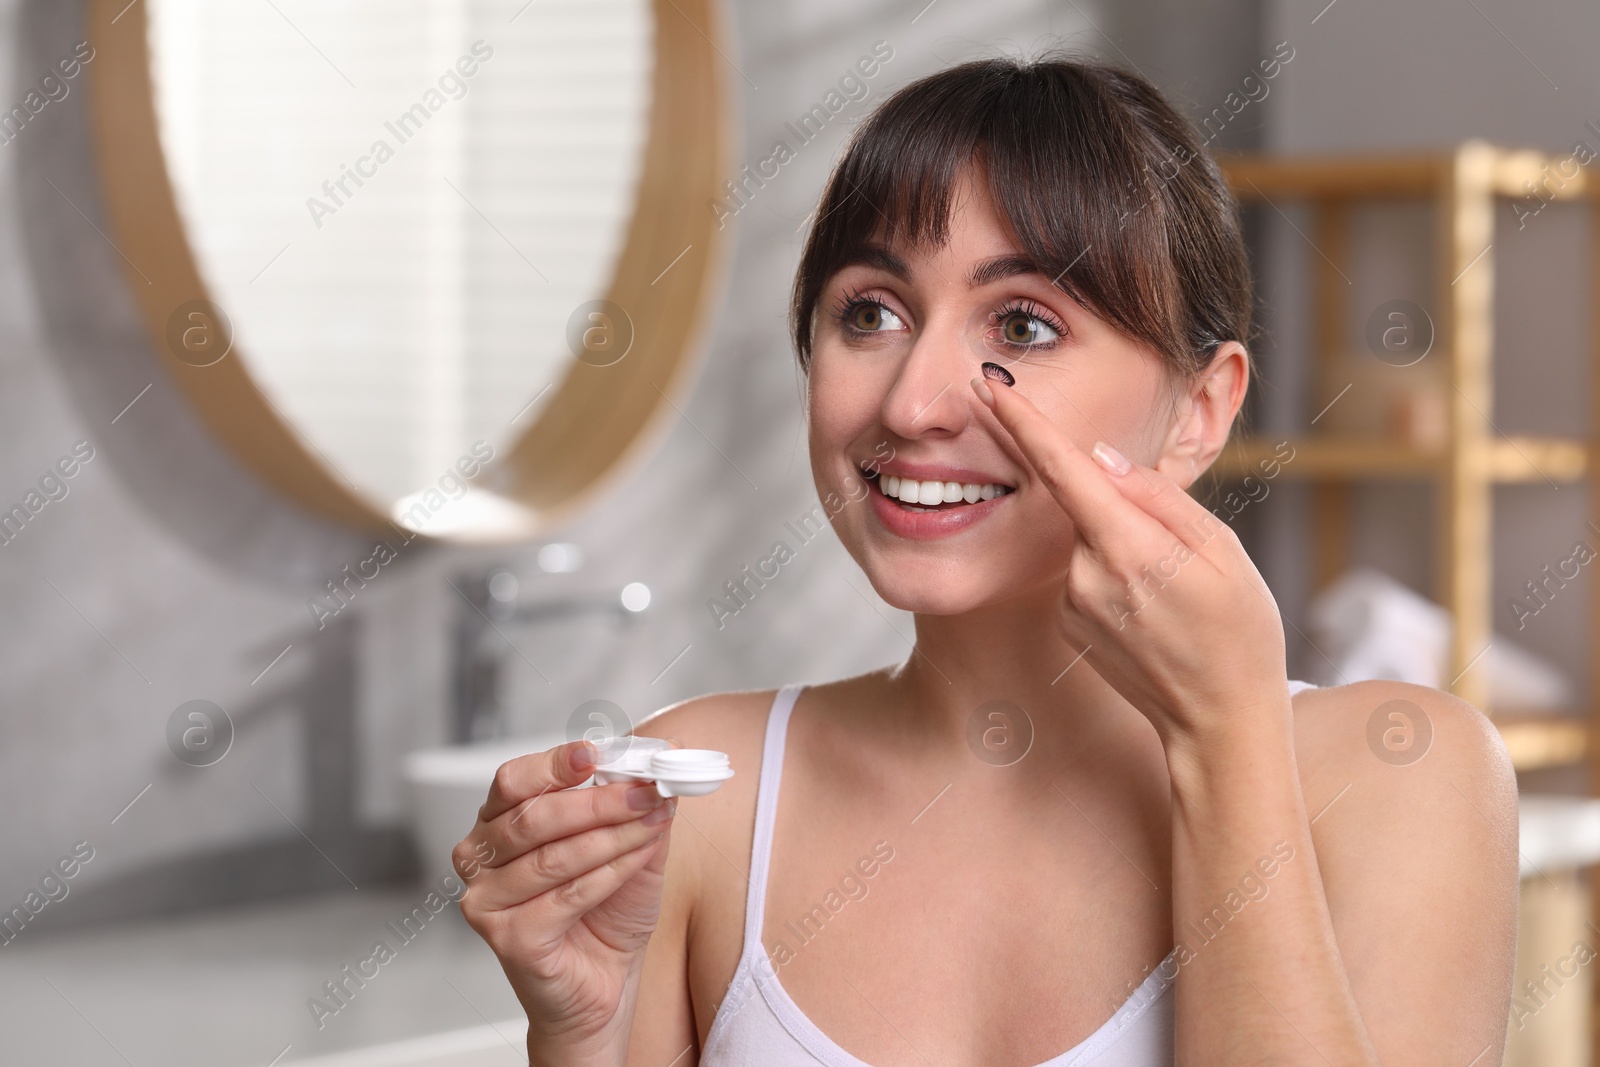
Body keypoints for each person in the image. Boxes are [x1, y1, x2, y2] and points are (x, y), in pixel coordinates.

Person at [454, 52, 1518, 1066]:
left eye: (1023, 324)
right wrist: (583, 1033)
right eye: (869, 312)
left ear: (1199, 412)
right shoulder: (703, 801)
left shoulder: (1395, 775)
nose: (913, 403)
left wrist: (1226, 740)